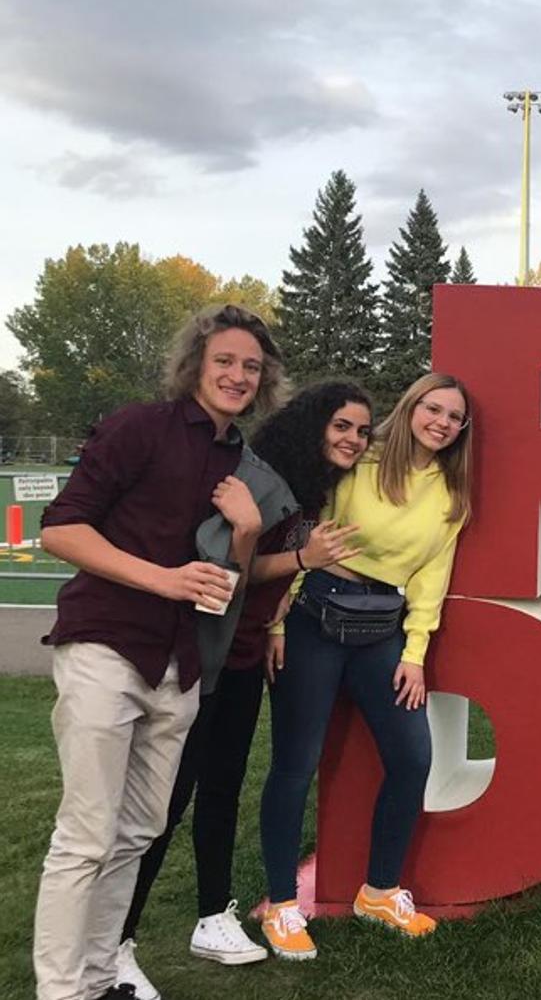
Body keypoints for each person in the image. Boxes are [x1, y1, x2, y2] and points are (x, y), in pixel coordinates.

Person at [33, 304, 285, 1000]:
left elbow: (221, 593)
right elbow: (60, 529)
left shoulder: (244, 466)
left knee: (138, 829)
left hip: (182, 664)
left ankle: (97, 976)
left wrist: (246, 532)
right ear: (197, 363)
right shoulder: (138, 426)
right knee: (87, 833)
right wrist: (162, 579)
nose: (237, 375)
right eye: (225, 360)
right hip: (107, 644)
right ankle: (62, 990)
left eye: (251, 367)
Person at [112, 381, 373, 1000]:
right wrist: (303, 560)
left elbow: (271, 581)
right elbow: (231, 570)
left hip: (245, 652)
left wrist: (278, 618)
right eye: (342, 426)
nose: (353, 440)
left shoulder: (311, 485)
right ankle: (115, 943)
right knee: (166, 799)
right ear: (313, 425)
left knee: (224, 788)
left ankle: (211, 918)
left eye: (362, 431)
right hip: (202, 651)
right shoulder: (260, 477)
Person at [259, 372, 473, 961]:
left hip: (383, 629)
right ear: (410, 406)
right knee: (295, 765)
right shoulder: (358, 460)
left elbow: (433, 577)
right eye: (433, 408)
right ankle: (281, 906)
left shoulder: (452, 492)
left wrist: (416, 653)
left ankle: (379, 892)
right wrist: (275, 623)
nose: (442, 423)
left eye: (455, 418)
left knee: (412, 757)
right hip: (314, 619)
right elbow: (306, 532)